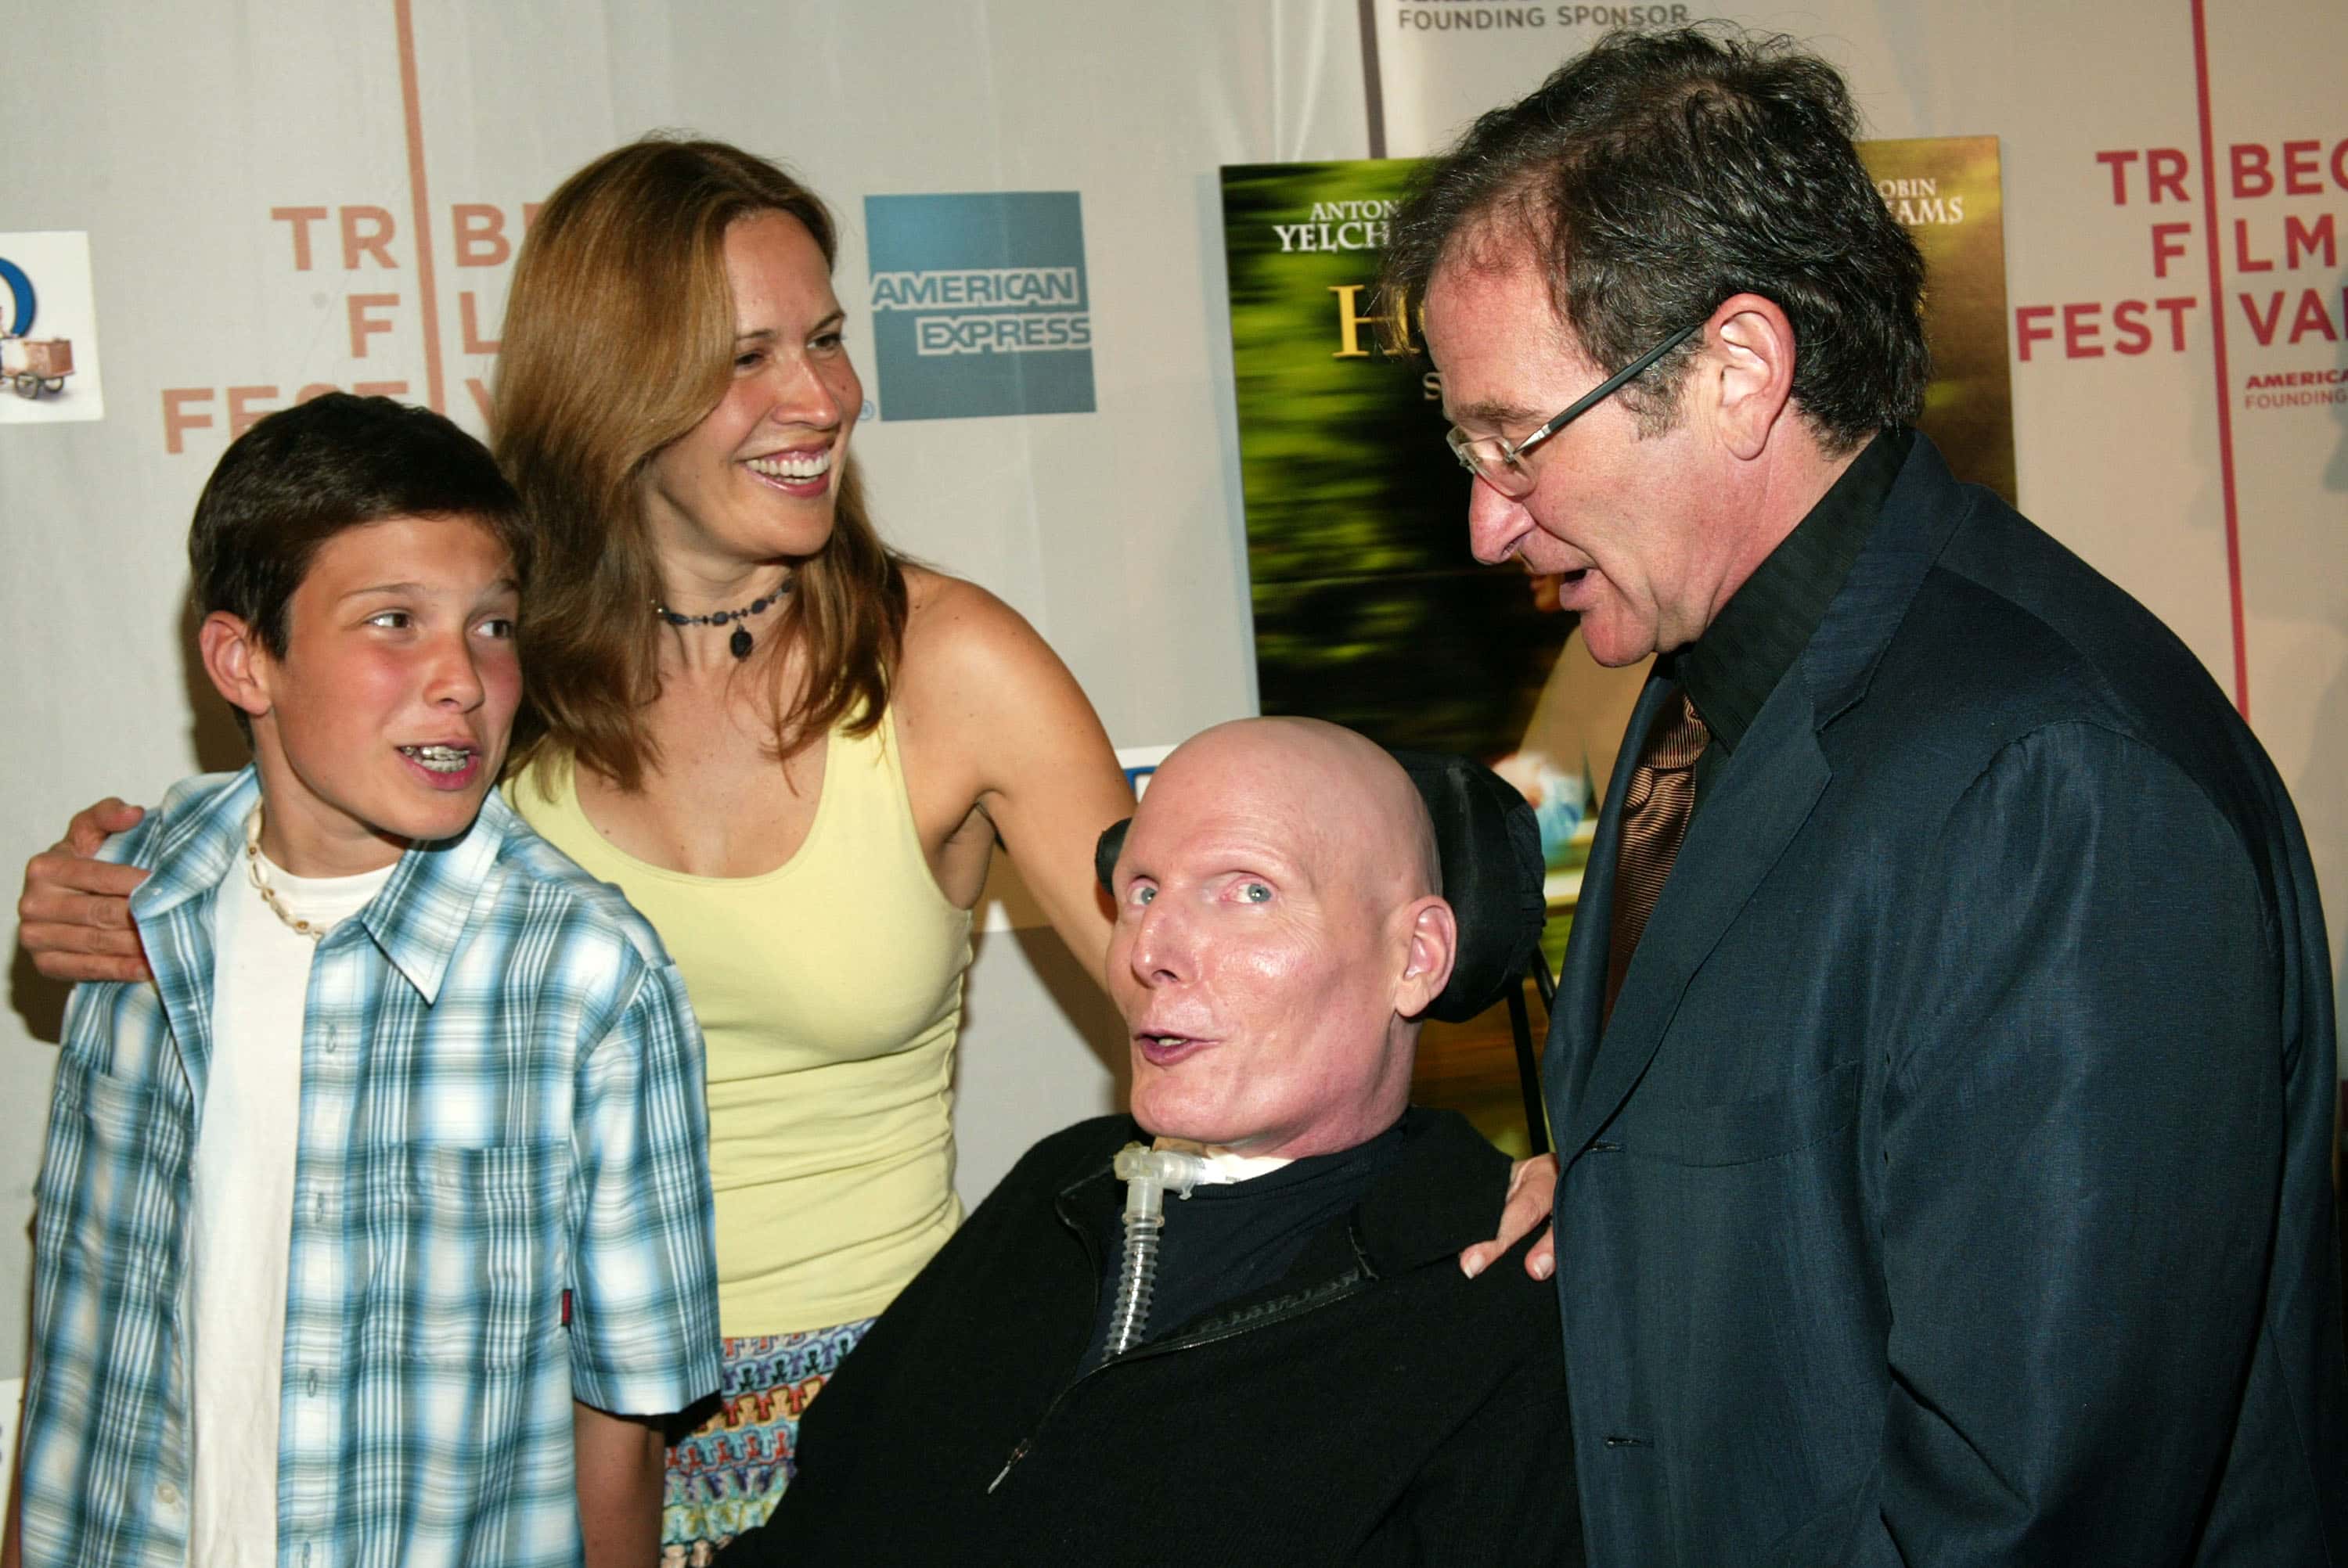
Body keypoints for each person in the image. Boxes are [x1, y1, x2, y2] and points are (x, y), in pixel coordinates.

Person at [13, 138, 1138, 1563]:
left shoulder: (949, 663)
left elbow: (1212, 996)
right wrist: (105, 880)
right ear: (615, 388)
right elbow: (284, 828)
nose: (825, 395)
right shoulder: (490, 661)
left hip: (884, 1414)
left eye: (829, 339)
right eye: (747, 356)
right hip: (516, 1442)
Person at [1384, 25, 2348, 1566]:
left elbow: (2030, 1514)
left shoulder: (2054, 783)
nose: (1489, 523)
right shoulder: (1701, 674)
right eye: (1463, 437)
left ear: (1738, 371)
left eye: (1516, 439)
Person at [1, 394, 720, 1568]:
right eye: (394, 621)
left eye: (493, 627)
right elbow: (83, 1317)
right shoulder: (130, 902)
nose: (460, 678)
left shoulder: (584, 976)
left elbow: (626, 1419)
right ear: (245, 660)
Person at [736, 717, 1579, 1566]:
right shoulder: (1061, 1185)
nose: (1151, 950)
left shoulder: (1495, 1300)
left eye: (1249, 891)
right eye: (1141, 891)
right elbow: (828, 1499)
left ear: (1417, 956)